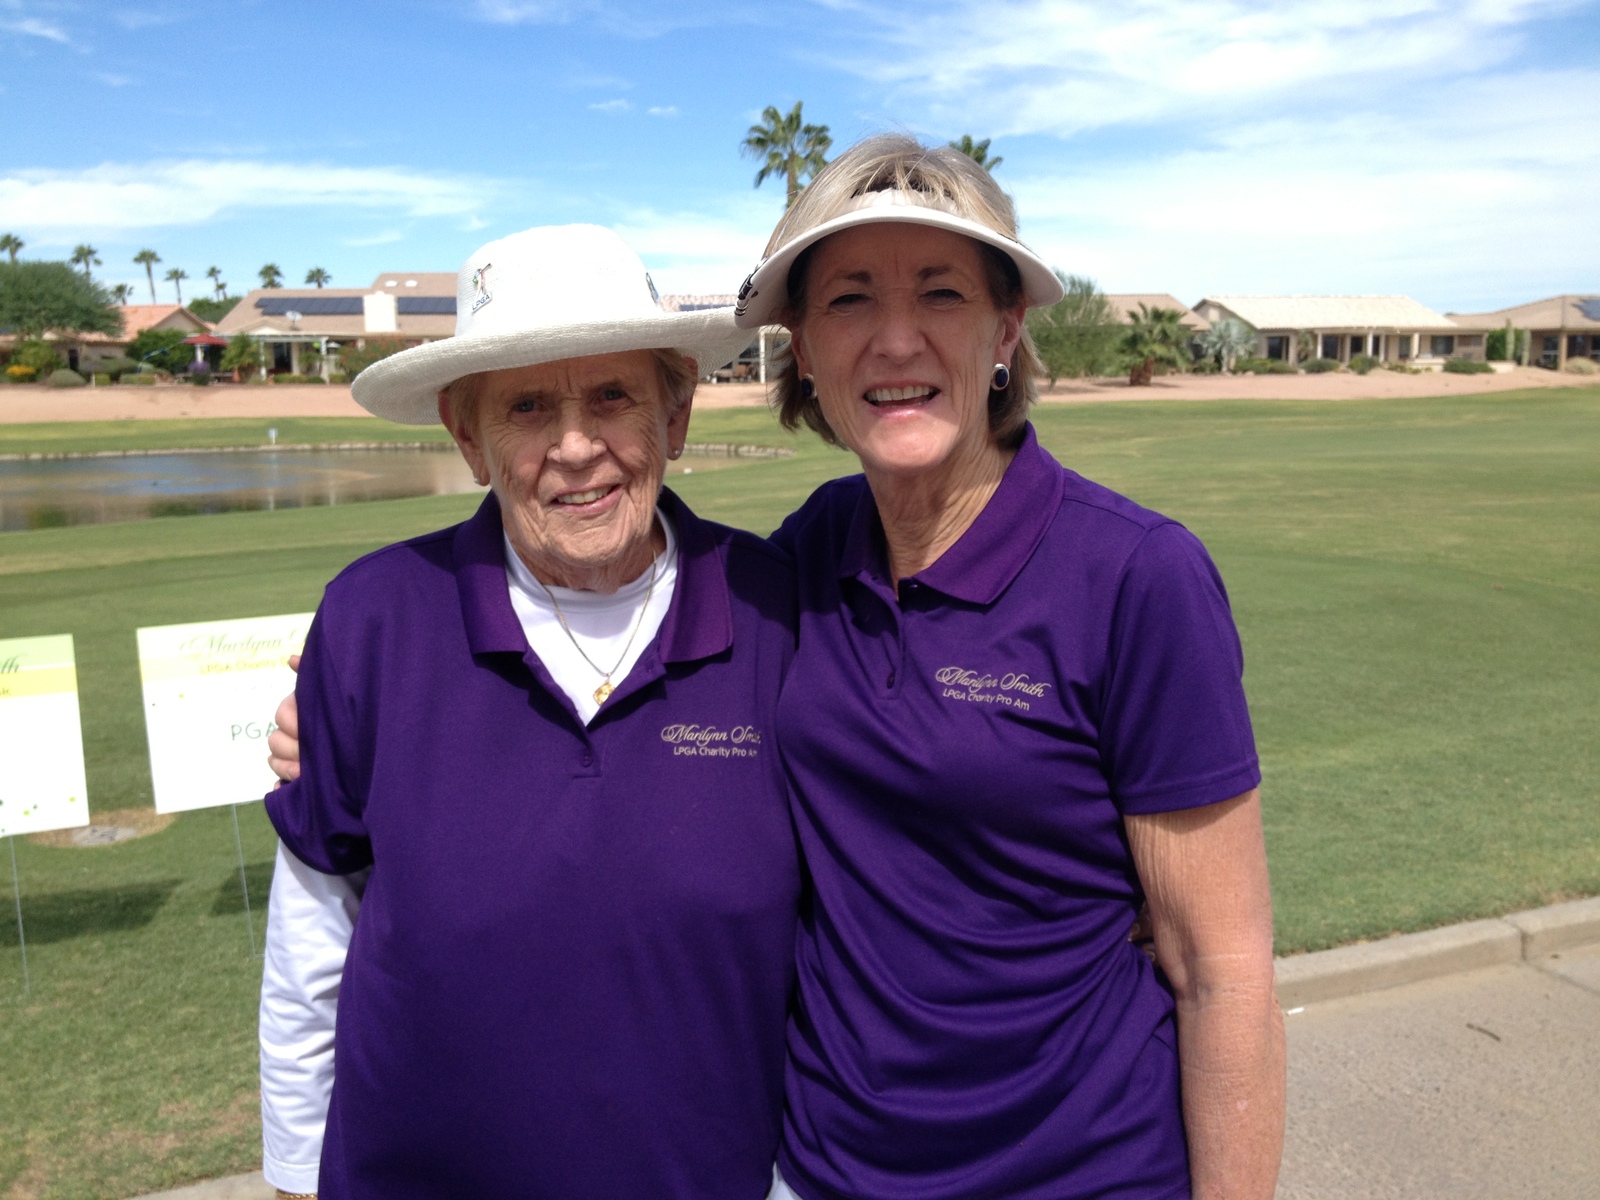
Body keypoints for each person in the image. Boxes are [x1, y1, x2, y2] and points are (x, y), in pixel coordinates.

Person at [734, 135, 1285, 1200]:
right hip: (824, 1172)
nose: (896, 339)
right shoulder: (812, 544)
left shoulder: (1136, 575)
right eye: (849, 301)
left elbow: (1218, 968)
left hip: (1076, 1172)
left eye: (940, 292)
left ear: (1006, 329)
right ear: (801, 347)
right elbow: (641, 659)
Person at [258, 223, 799, 1200]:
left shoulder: (775, 607)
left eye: (612, 397)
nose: (576, 446)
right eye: (526, 406)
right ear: (470, 440)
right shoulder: (375, 616)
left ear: (674, 417)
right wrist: (297, 1175)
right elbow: (312, 932)